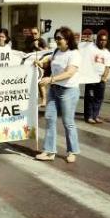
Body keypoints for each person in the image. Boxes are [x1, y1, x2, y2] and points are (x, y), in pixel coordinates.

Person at [35, 27, 81, 163]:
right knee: (50, 119)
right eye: (56, 38)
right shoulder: (56, 51)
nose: (57, 40)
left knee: (68, 122)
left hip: (68, 91)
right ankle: (49, 151)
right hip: (54, 90)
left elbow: (69, 73)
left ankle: (72, 151)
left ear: (68, 40)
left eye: (59, 38)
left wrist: (50, 79)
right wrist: (42, 62)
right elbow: (50, 59)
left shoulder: (74, 54)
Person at [83, 31, 110, 124]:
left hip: (101, 79)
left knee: (99, 98)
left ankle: (95, 116)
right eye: (100, 40)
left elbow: (107, 66)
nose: (102, 42)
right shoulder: (91, 48)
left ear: (106, 41)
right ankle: (89, 116)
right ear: (97, 40)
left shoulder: (107, 53)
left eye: (104, 40)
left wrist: (104, 77)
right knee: (90, 98)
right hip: (91, 78)